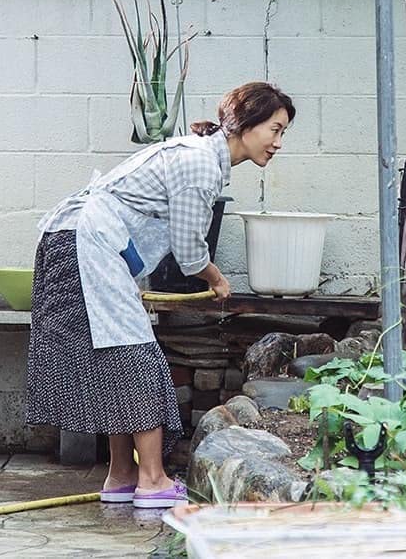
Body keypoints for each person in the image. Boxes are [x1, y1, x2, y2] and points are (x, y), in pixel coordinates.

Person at [25, 81, 296, 509]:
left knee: (116, 358)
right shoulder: (201, 165)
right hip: (85, 244)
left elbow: (136, 220)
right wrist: (215, 278)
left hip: (78, 240)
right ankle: (152, 481)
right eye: (274, 130)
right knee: (137, 359)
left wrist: (130, 276)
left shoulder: (197, 154)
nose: (278, 143)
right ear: (245, 124)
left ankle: (121, 477)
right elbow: (189, 249)